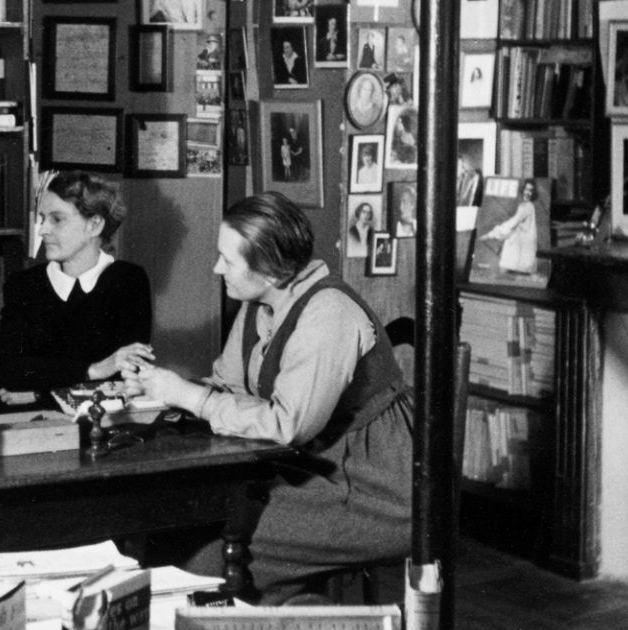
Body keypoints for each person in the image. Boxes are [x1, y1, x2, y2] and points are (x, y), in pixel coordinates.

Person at [122, 193, 413, 604]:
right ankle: (294, 620)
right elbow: (230, 386)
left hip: (372, 490)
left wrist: (189, 395)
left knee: (201, 559)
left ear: (271, 271)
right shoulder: (262, 303)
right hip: (310, 469)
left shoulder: (328, 314)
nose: (216, 268)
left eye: (228, 259)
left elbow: (285, 424)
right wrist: (162, 391)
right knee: (182, 530)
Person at [0, 171, 154, 397]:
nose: (43, 230)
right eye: (42, 218)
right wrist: (95, 370)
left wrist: (39, 389)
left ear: (94, 225)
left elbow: (125, 375)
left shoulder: (128, 280)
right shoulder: (23, 285)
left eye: (57, 219)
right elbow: (10, 373)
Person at [482, 179, 540, 276]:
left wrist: (490, 235)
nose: (527, 193)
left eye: (531, 190)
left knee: (506, 276)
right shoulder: (528, 206)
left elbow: (511, 224)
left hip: (520, 253)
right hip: (521, 253)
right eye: (526, 189)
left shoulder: (526, 207)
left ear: (534, 193)